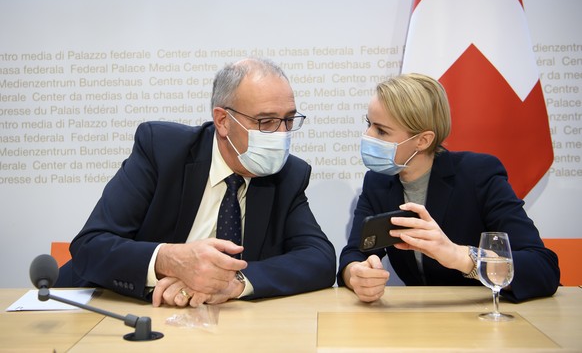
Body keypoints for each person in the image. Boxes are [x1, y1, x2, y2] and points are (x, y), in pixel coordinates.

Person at [61, 58, 336, 307]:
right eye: (266, 122)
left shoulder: (288, 174)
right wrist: (171, 260)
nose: (282, 134)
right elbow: (90, 246)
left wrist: (235, 282)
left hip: (213, 322)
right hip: (105, 309)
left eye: (288, 120)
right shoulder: (162, 150)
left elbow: (319, 258)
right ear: (223, 121)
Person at [337, 73, 560, 303]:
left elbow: (543, 267)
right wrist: (357, 274)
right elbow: (355, 253)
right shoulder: (378, 182)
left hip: (483, 317)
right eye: (368, 124)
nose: (367, 136)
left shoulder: (479, 174)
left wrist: (459, 256)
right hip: (419, 322)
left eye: (381, 131)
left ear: (423, 140)